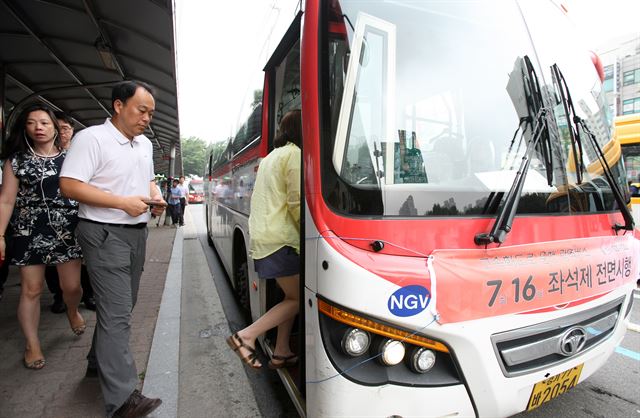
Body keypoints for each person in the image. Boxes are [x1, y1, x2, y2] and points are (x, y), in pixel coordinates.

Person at [59, 80, 165, 417]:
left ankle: (96, 364)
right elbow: (69, 185)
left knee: (123, 305)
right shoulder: (91, 138)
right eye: (141, 110)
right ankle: (122, 400)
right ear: (119, 106)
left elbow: (147, 180)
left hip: (136, 233)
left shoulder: (144, 144)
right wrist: (122, 203)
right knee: (118, 312)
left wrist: (155, 197)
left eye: (151, 112)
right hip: (103, 233)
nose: (147, 118)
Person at [0, 103, 85, 370]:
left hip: (66, 228)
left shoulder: (72, 158)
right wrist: (0, 234)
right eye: (31, 122)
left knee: (71, 287)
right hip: (29, 229)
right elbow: (5, 201)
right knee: (31, 289)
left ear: (55, 127)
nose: (38, 127)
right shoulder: (16, 161)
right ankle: (32, 344)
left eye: (44, 122)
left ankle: (72, 310)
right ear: (24, 128)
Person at [226, 109, 301, 369]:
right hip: (282, 239)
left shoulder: (271, 156)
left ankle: (281, 351)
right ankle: (246, 336)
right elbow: (295, 202)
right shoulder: (295, 155)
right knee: (297, 299)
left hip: (266, 236)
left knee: (288, 297)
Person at [44, 112, 96, 313]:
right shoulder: (46, 156)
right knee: (51, 261)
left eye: (65, 128)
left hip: (79, 214)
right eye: (57, 128)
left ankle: (88, 295)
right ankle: (59, 296)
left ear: (72, 130)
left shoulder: (83, 153)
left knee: (84, 258)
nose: (61, 133)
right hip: (52, 217)